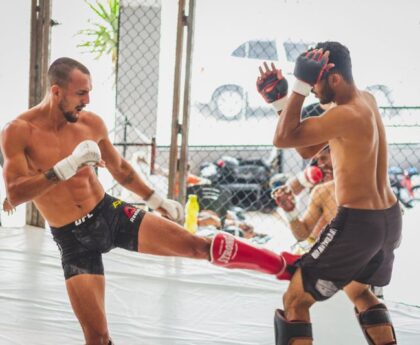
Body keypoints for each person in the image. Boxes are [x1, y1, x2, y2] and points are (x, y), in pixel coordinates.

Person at [1, 57, 301, 345]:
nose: (87, 101)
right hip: (72, 239)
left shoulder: (89, 123)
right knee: (97, 338)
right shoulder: (19, 131)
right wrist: (65, 167)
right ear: (56, 91)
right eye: (81, 93)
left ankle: (282, 265)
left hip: (110, 213)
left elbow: (120, 168)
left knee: (198, 246)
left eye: (90, 92)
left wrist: (156, 200)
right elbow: (15, 193)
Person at [257, 42, 401, 344]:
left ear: (333, 78)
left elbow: (283, 138)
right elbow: (306, 146)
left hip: (359, 224)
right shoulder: (365, 101)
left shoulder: (345, 114)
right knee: (359, 290)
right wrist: (282, 102)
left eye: (315, 81)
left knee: (295, 300)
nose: (311, 90)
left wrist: (296, 85)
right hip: (388, 219)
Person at [273, 146, 336, 253]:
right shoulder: (319, 189)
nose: (321, 163)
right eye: (318, 159)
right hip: (312, 244)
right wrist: (290, 211)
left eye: (324, 158)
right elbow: (289, 189)